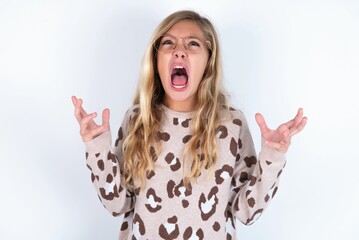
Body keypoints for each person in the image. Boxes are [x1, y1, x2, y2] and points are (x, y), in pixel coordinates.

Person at [72, 10, 307, 240]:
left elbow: (246, 212)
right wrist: (96, 148)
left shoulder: (231, 125)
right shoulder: (137, 120)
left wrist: (273, 157)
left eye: (193, 44)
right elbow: (117, 204)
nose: (179, 51)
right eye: (168, 43)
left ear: (209, 60)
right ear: (155, 59)